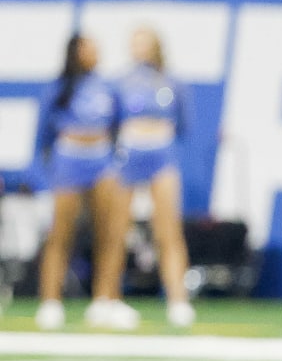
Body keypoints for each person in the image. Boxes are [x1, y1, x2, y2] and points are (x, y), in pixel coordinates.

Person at [32, 33, 135, 331]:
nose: (95, 52)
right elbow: (43, 136)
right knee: (60, 234)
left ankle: (105, 300)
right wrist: (44, 174)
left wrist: (113, 159)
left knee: (110, 232)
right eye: (88, 47)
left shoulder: (107, 86)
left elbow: (117, 124)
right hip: (69, 156)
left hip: (101, 158)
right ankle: (50, 302)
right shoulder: (60, 88)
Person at [112, 27, 195, 328]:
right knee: (118, 229)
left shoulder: (172, 83)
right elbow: (112, 121)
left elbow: (183, 124)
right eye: (135, 42)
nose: (139, 49)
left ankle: (177, 299)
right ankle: (109, 298)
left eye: (144, 43)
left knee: (168, 230)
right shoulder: (121, 82)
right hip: (130, 153)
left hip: (161, 153)